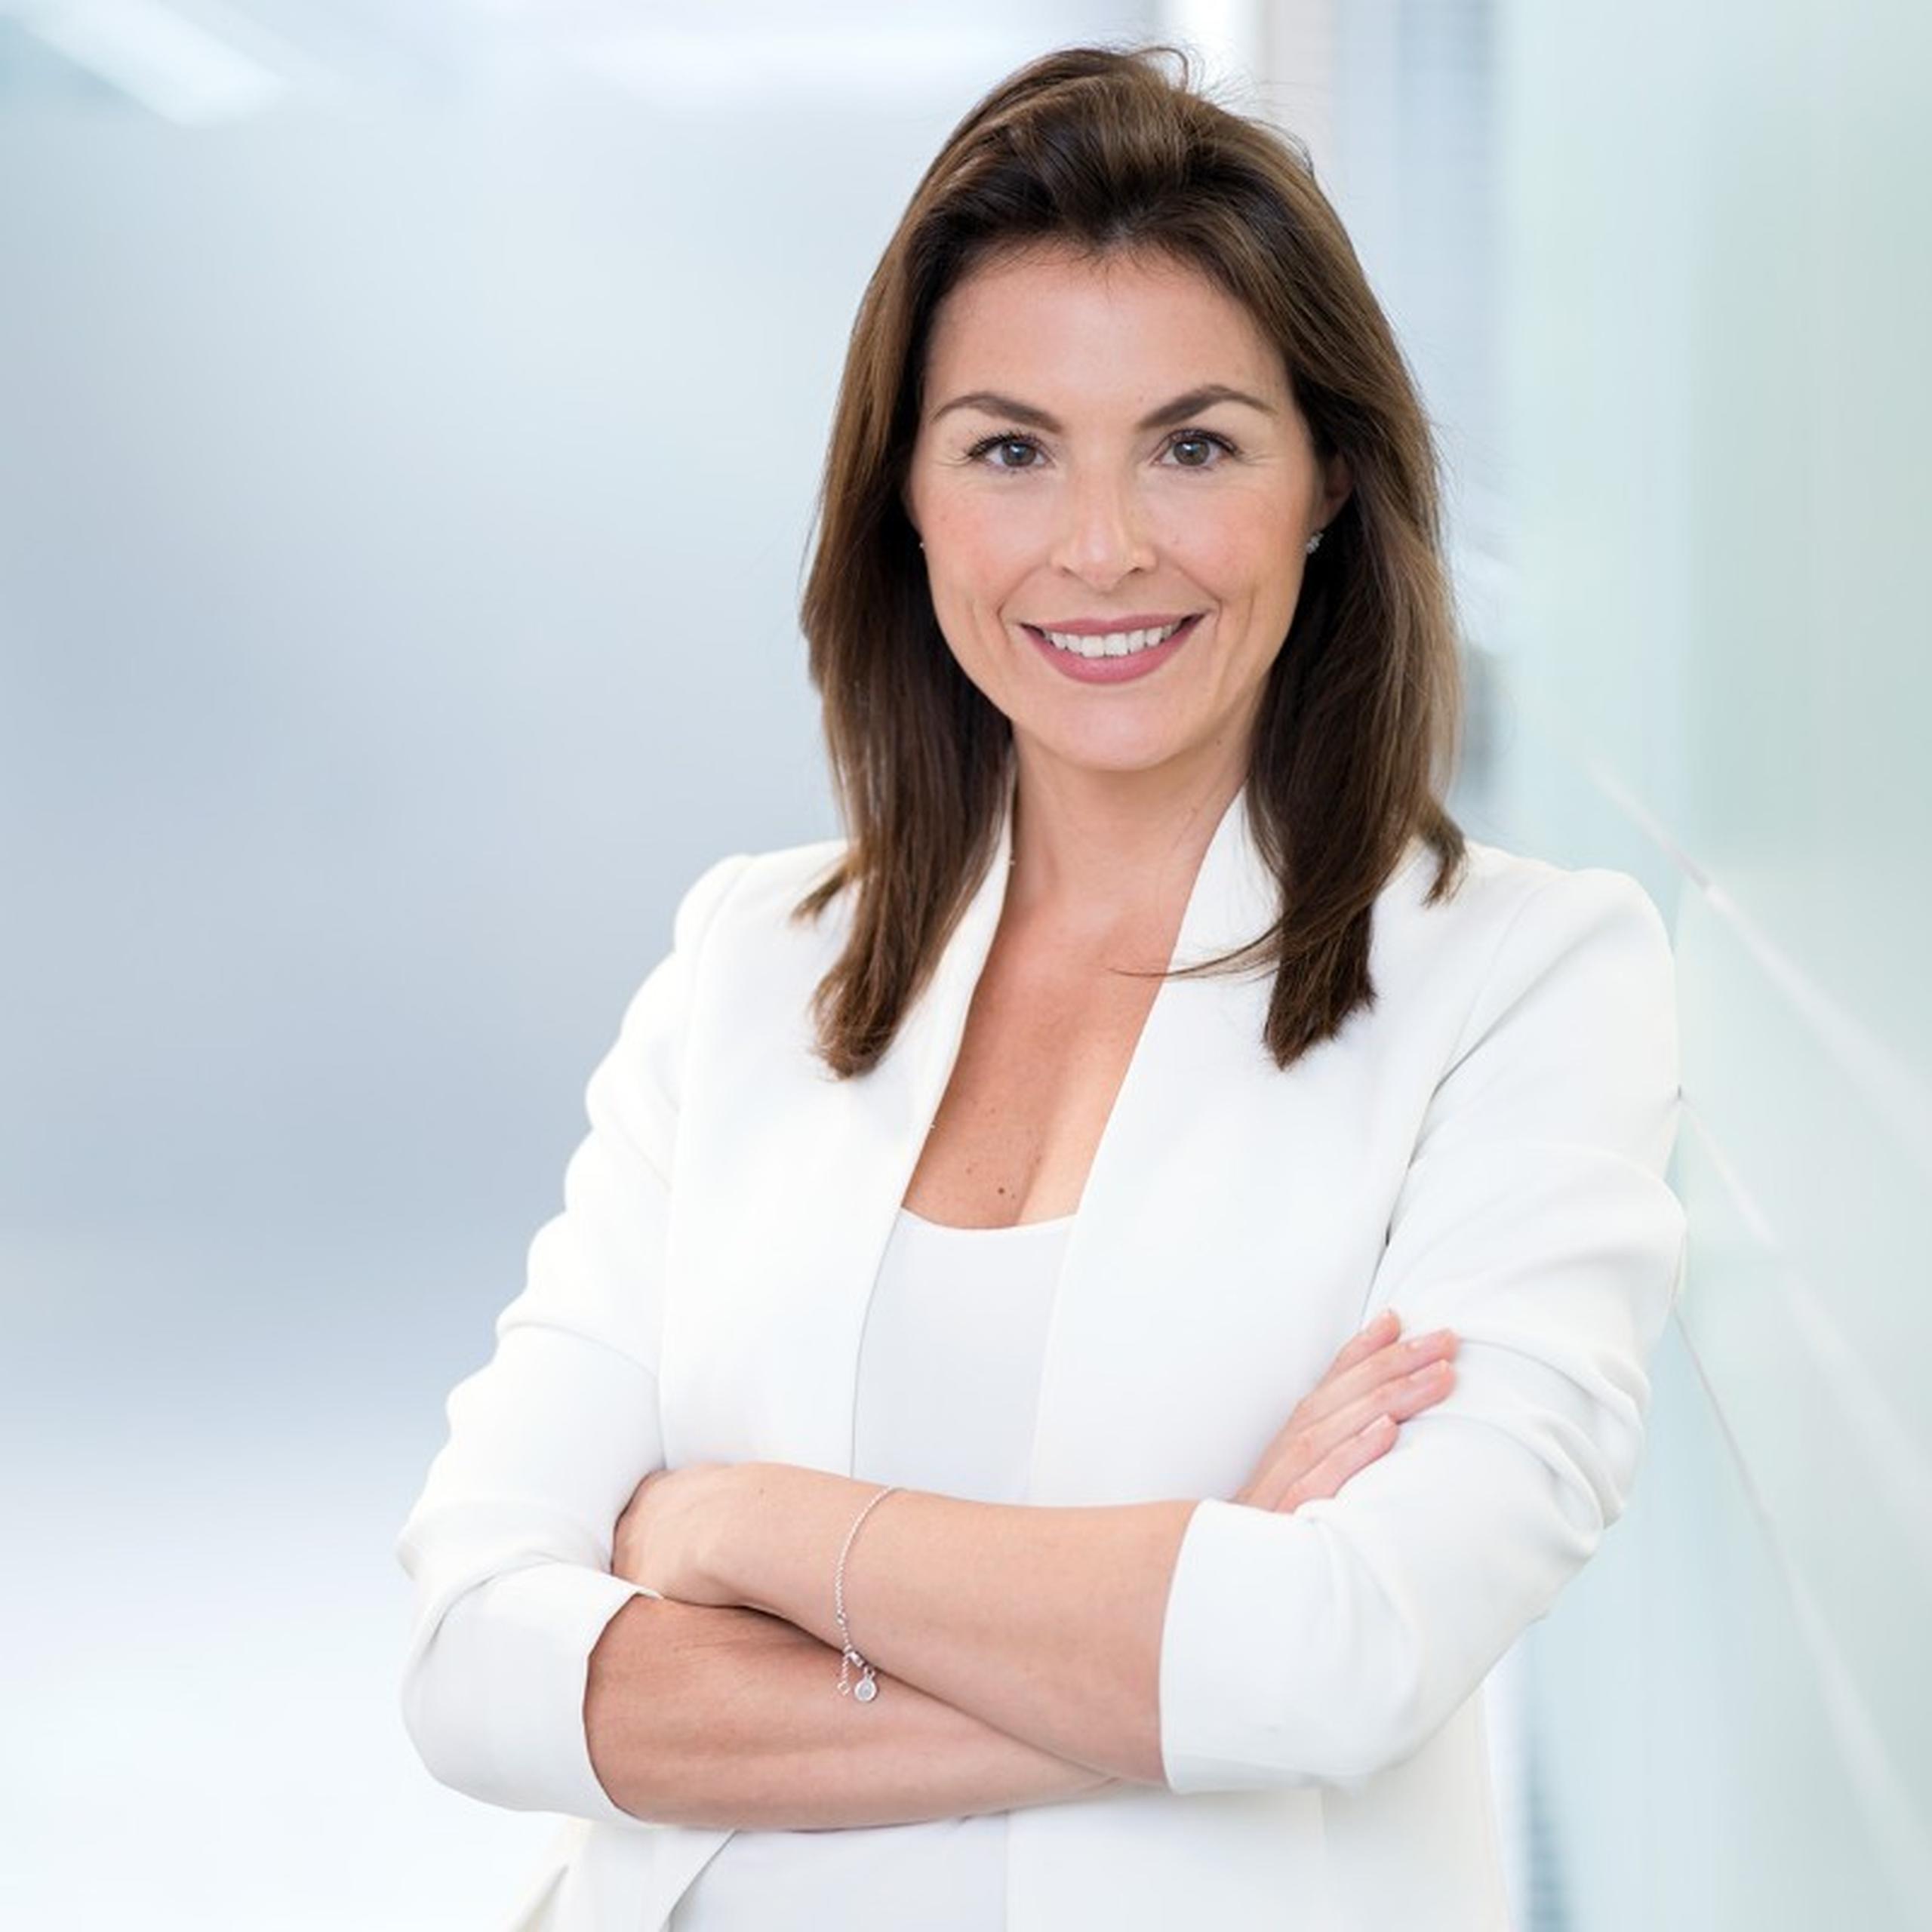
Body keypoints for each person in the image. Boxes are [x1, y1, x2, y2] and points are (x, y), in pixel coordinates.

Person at [394, 42, 1686, 1932]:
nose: (1100, 545)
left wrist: (747, 1530)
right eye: (1008, 446)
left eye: (1192, 442)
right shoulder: (750, 961)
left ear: (1324, 477)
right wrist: (1182, 1618)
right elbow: (474, 1657)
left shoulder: (1524, 980)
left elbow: (1349, 1655)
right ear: (904, 498)